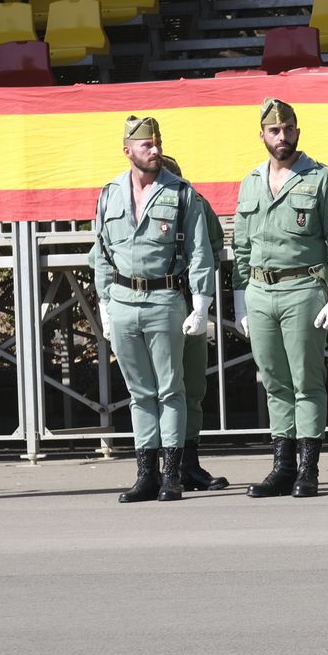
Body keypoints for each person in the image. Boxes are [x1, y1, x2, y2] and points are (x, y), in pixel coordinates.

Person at [232, 98, 328, 499]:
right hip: (259, 290)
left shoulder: (320, 178)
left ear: (297, 132)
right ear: (262, 136)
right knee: (274, 382)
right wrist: (240, 300)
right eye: (274, 130)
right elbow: (241, 246)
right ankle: (282, 467)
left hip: (303, 288)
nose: (282, 137)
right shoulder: (251, 182)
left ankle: (308, 468)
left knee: (306, 381)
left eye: (288, 129)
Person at [90, 117, 216, 503]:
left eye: (158, 143)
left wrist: (201, 303)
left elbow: (200, 252)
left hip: (164, 299)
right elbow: (101, 253)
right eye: (147, 145)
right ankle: (146, 474)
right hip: (123, 300)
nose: (155, 150)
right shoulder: (109, 194)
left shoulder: (180, 193)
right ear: (128, 150)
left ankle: (172, 475)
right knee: (139, 392)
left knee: (170, 389)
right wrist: (105, 304)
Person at [158, 153, 229, 492]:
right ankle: (156, 466)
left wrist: (194, 277)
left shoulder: (195, 202)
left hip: (188, 300)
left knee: (192, 385)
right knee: (157, 388)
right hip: (155, 302)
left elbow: (214, 243)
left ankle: (187, 464)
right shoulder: (133, 205)